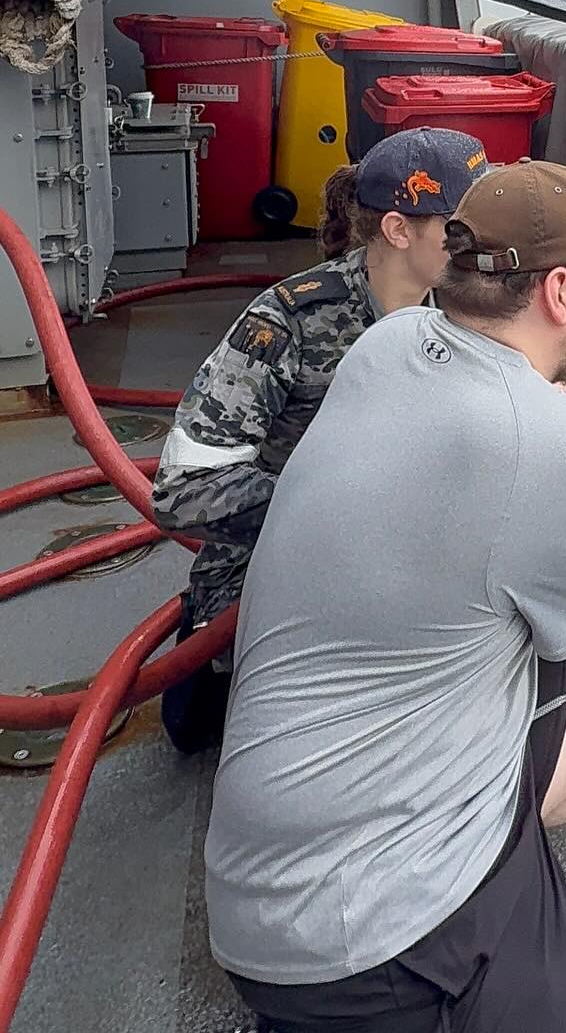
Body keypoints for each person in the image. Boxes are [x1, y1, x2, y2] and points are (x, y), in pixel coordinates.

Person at [204, 159, 566, 1033]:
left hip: (251, 894)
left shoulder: (390, 342)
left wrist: (553, 417)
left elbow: (479, 447)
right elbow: (560, 643)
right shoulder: (564, 452)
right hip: (366, 952)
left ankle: (486, 843)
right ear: (557, 292)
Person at [151, 126, 490, 752]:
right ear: (398, 230)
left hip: (403, 556)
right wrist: (344, 518)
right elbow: (184, 491)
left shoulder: (466, 312)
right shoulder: (289, 322)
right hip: (278, 568)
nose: (482, 240)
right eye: (461, 225)